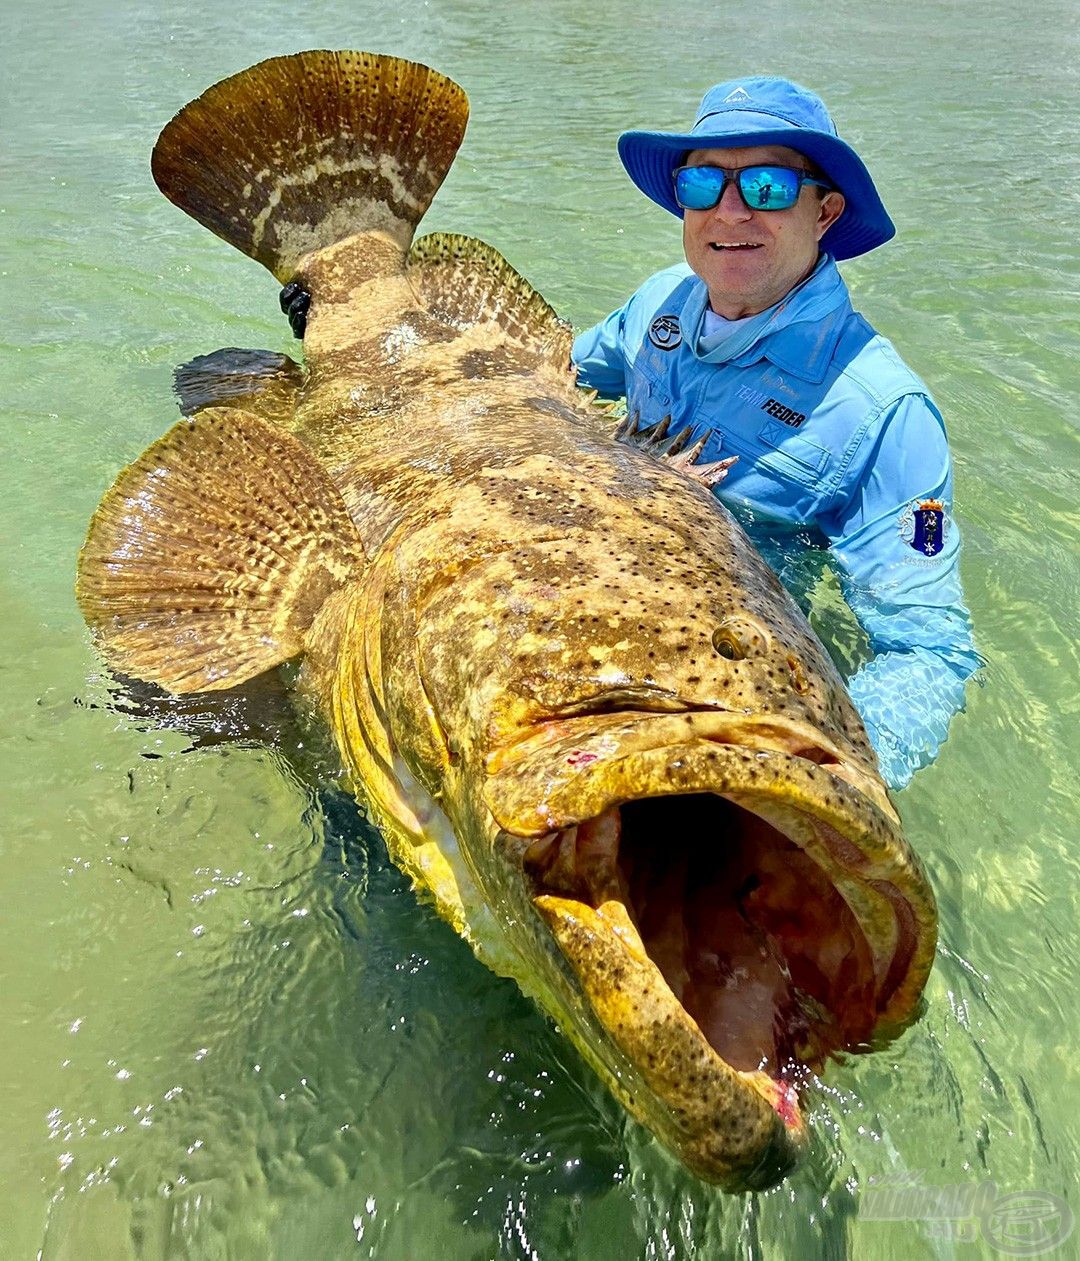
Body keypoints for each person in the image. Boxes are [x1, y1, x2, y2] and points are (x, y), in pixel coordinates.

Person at [572, 76, 980, 790]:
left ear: (824, 212)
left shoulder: (889, 416)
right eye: (703, 183)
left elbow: (929, 650)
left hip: (724, 670)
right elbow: (551, 375)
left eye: (765, 186)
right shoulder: (660, 299)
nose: (729, 211)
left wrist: (815, 774)